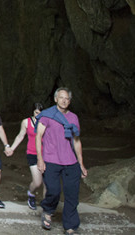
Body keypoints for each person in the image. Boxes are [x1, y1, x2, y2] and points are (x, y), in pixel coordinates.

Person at [36, 87, 87, 233]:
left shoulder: (74, 118)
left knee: (72, 194)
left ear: (69, 101)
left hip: (70, 161)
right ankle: (48, 209)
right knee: (53, 190)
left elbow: (76, 140)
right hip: (51, 159)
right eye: (61, 97)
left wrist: (81, 163)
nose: (64, 100)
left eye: (67, 98)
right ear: (56, 99)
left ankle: (70, 225)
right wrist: (40, 159)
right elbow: (39, 136)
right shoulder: (47, 115)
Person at [6, 102, 46, 210]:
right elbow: (20, 136)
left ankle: (47, 205)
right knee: (38, 182)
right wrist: (12, 149)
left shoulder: (47, 122)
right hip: (32, 153)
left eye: (41, 113)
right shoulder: (26, 122)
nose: (38, 115)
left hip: (46, 154)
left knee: (48, 182)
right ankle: (31, 193)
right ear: (33, 111)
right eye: (36, 112)